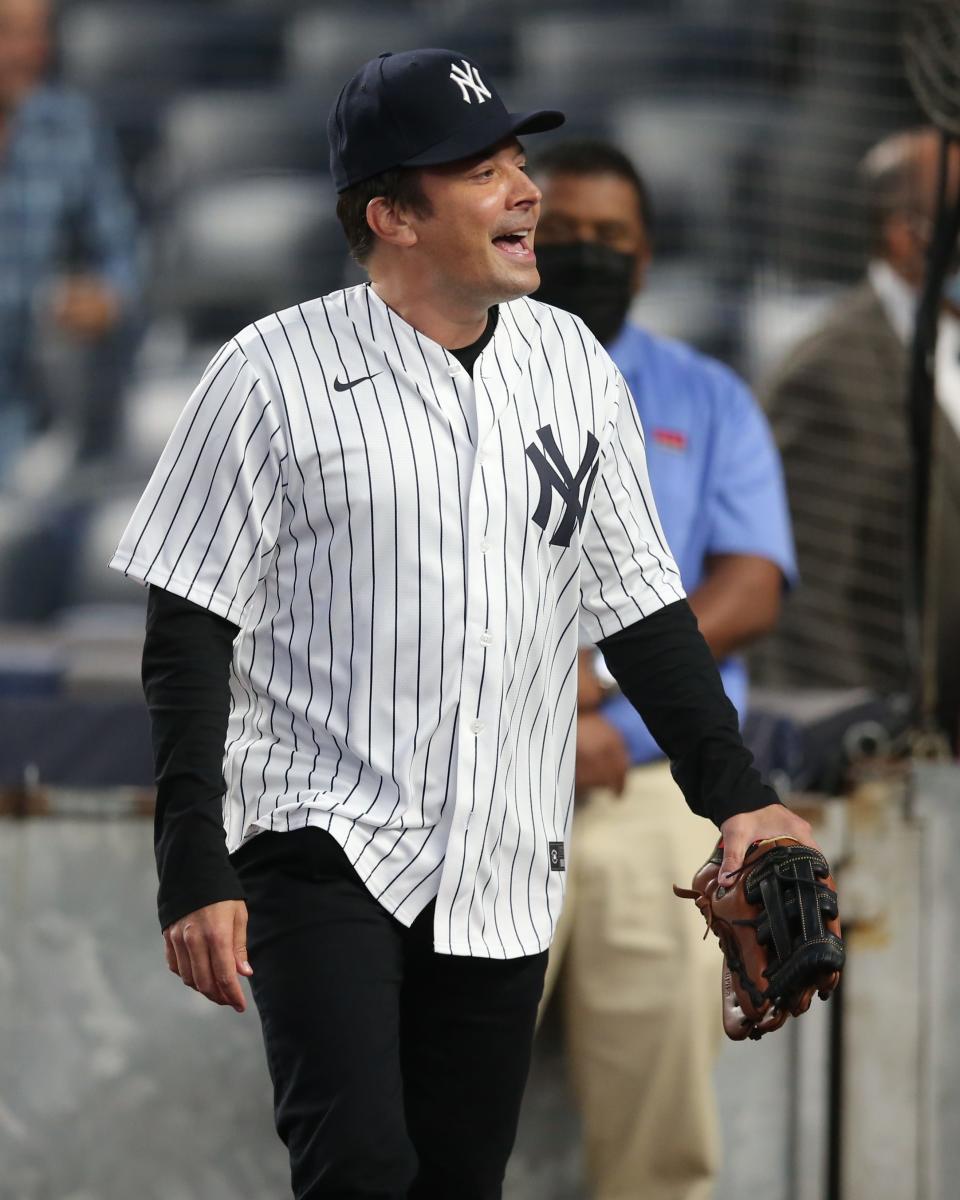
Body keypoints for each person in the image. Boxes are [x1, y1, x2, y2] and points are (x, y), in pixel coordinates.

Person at [111, 50, 814, 1200]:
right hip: (320, 839)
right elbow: (186, 629)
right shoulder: (266, 375)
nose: (527, 191)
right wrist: (191, 859)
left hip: (503, 848)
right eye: (484, 170)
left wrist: (738, 795)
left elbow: (642, 610)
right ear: (392, 213)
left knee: (456, 1185)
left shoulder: (573, 365)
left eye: (519, 160)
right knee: (363, 1172)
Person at [530, 139, 797, 1200]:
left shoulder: (706, 394)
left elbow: (755, 579)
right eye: (564, 237)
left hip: (653, 783)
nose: (588, 255)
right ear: (520, 242)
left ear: (645, 259)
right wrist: (548, 706)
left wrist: (600, 680)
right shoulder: (458, 382)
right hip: (484, 781)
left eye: (610, 239)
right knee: (435, 1091)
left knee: (661, 1107)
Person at [752, 127, 960, 743]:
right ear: (907, 233)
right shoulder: (828, 376)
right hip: (896, 764)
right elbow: (805, 608)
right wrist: (864, 750)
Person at [0, 0, 138, 479]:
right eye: (7, 32)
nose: (28, 51)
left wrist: (106, 296)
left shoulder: (72, 125)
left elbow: (122, 253)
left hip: (43, 405)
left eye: (39, 33)